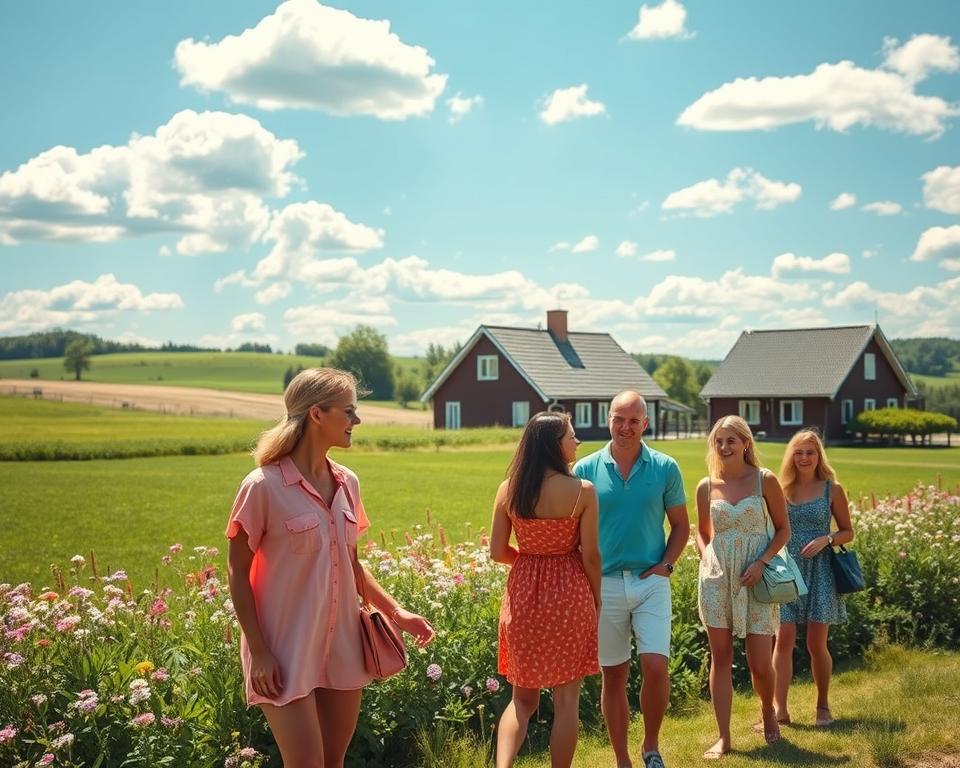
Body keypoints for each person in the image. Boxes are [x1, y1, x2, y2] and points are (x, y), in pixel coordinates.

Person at [225, 368, 435, 768]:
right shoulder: (262, 486)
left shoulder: (348, 482)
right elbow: (237, 571)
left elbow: (351, 561)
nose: (357, 421)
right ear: (317, 414)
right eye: (349, 411)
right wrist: (259, 650)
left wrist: (396, 611)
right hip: (282, 649)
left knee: (333, 761)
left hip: (343, 645)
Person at [573, 391, 689, 768]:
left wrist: (667, 565)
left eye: (633, 421)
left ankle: (651, 748)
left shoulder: (665, 467)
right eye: (619, 419)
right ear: (608, 420)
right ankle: (622, 759)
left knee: (656, 666)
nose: (625, 427)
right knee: (615, 675)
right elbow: (568, 530)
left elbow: (682, 526)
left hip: (651, 579)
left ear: (645, 424)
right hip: (602, 584)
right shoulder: (585, 470)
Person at [490, 411, 601, 768]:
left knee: (522, 700)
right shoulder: (582, 491)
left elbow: (497, 551)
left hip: (524, 595)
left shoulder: (509, 489)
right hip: (570, 595)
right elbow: (592, 557)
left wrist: (530, 562)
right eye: (572, 436)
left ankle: (502, 766)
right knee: (566, 702)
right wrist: (595, 598)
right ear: (555, 445)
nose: (577, 442)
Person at [695, 415, 791, 759]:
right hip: (717, 581)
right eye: (719, 441)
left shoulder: (764, 481)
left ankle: (768, 713)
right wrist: (708, 558)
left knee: (760, 665)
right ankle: (724, 737)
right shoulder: (706, 485)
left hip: (757, 577)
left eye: (731, 441)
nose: (724, 447)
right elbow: (702, 533)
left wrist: (761, 562)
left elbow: (783, 530)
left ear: (745, 443)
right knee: (720, 657)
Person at [771, 428, 854, 728]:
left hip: (821, 573)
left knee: (817, 644)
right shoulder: (780, 489)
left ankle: (823, 706)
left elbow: (848, 531)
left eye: (810, 452)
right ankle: (779, 710)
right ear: (791, 456)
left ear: (819, 455)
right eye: (799, 452)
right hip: (787, 573)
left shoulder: (833, 489)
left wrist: (827, 539)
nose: (804, 457)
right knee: (783, 639)